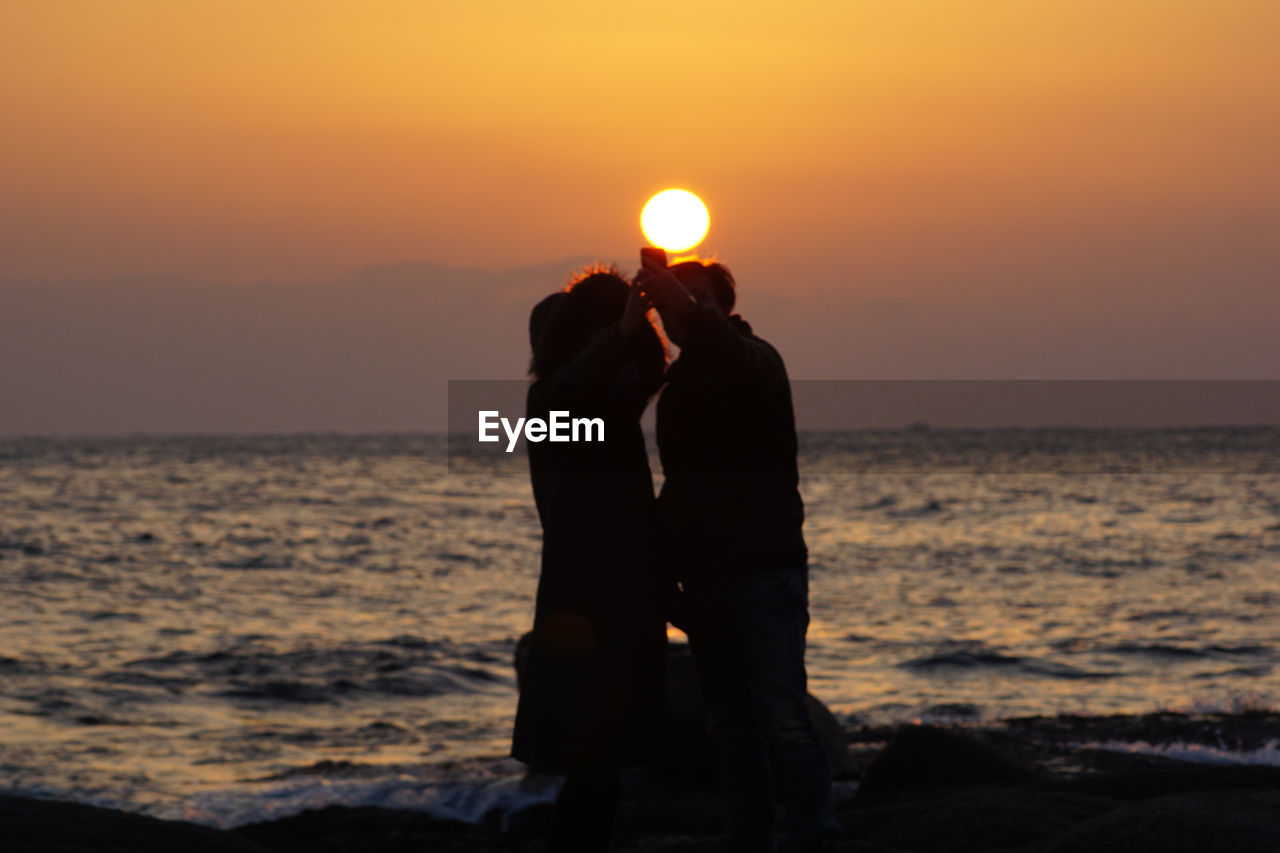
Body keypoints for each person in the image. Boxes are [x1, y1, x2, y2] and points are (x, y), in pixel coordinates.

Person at [635, 258, 841, 853]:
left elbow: (720, 346)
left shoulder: (756, 360)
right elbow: (683, 485)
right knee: (730, 725)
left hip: (765, 568)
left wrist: (675, 293)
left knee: (781, 714)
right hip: (705, 578)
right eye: (673, 303)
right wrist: (666, 575)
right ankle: (749, 838)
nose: (681, 311)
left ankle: (815, 834)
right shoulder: (680, 383)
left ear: (724, 307)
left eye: (696, 300)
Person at [511, 267, 669, 853]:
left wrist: (642, 325)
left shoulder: (600, 404)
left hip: (616, 597)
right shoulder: (553, 406)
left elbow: (649, 374)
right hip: (588, 602)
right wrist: (622, 329)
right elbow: (578, 390)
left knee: (604, 764)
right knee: (595, 760)